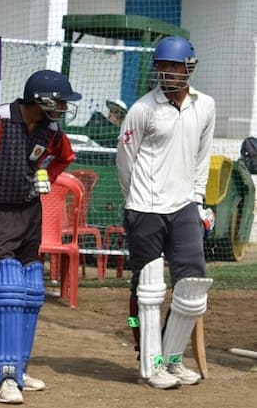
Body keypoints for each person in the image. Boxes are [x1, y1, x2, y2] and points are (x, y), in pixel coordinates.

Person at [0, 69, 81, 404]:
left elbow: (65, 157)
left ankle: (20, 369)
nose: (61, 109)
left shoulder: (52, 130)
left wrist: (46, 173)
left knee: (31, 290)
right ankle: (5, 377)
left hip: (31, 214)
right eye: (57, 102)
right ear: (40, 100)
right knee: (9, 287)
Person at [116, 35, 216, 390]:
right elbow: (125, 162)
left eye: (175, 66)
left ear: (189, 67)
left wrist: (198, 199)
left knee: (192, 287)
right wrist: (137, 200)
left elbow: (203, 156)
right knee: (147, 287)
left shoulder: (205, 106)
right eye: (163, 66)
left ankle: (171, 357)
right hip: (145, 207)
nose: (169, 73)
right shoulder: (142, 109)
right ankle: (146, 356)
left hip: (186, 206)